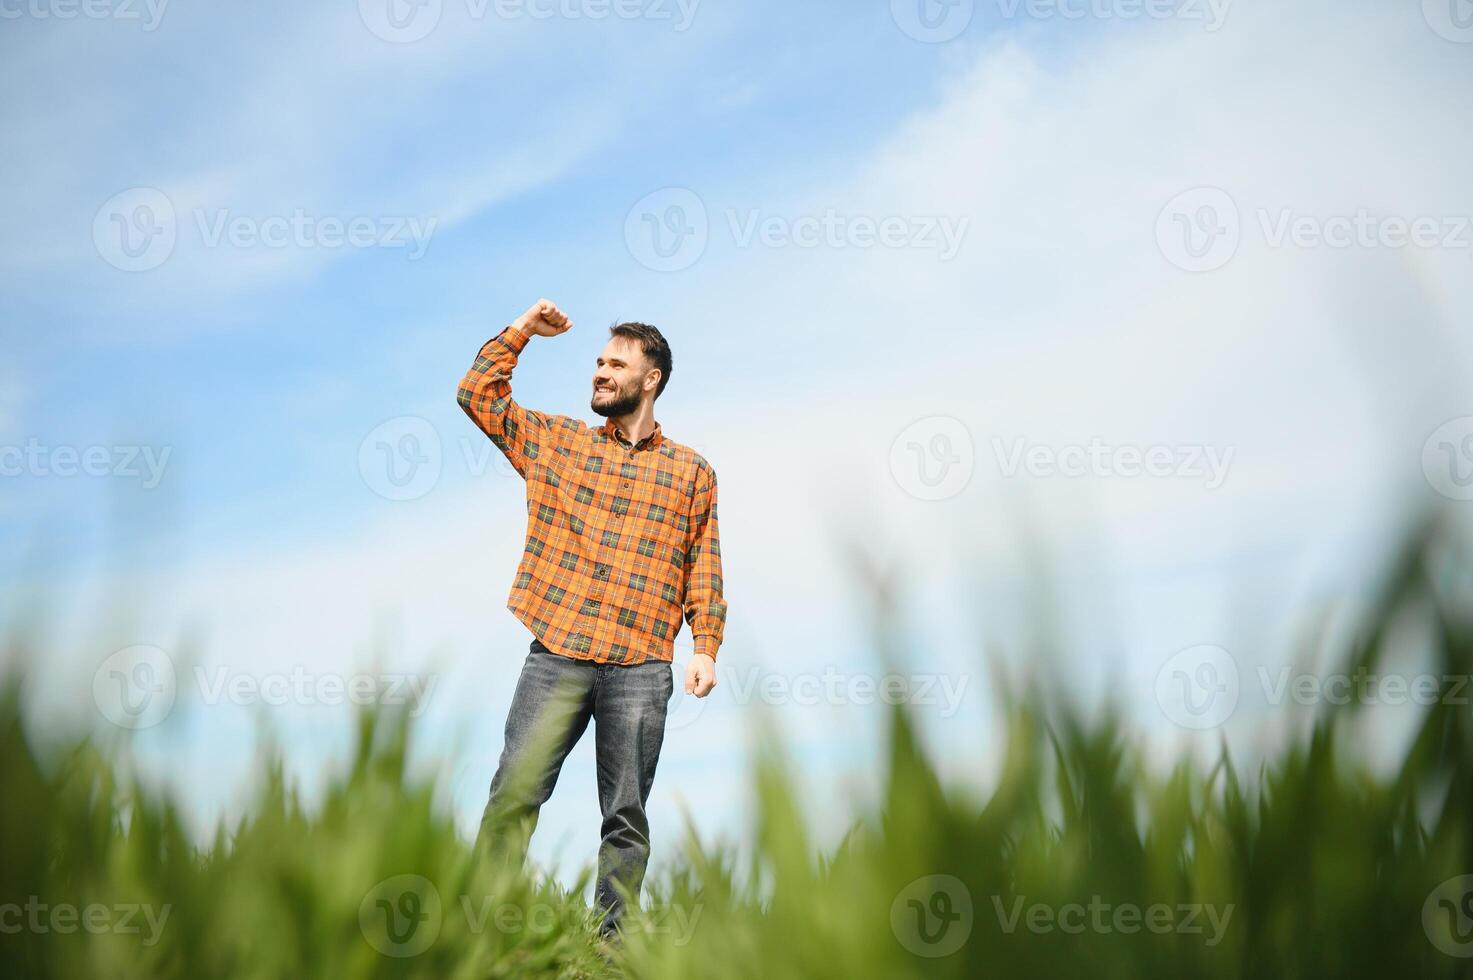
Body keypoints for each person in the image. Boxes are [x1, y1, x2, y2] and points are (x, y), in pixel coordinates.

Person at [457, 299, 727, 937]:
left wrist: (706, 644)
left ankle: (610, 950)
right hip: (557, 650)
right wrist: (522, 331)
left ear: (650, 378)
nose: (600, 372)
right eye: (598, 362)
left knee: (626, 818)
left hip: (640, 663)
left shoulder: (692, 472)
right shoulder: (559, 445)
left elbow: (704, 565)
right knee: (514, 796)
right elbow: (477, 395)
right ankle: (481, 933)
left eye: (616, 363)